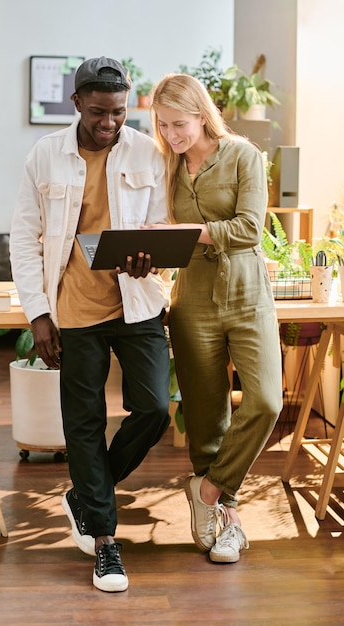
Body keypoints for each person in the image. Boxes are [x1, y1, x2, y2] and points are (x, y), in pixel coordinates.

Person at [10, 57, 171, 593]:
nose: (110, 124)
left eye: (120, 113)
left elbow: (163, 224)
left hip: (138, 303)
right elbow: (24, 238)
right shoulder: (45, 155)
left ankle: (86, 492)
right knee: (82, 423)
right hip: (74, 307)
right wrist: (38, 314)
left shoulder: (147, 151)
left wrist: (153, 255)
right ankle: (105, 542)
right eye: (100, 113)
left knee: (152, 408)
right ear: (76, 102)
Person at [148, 73, 283, 563]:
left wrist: (187, 231)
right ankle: (226, 519)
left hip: (248, 296)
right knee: (207, 419)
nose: (172, 134)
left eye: (179, 124)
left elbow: (249, 229)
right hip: (193, 302)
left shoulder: (245, 155)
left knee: (266, 400)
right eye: (163, 125)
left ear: (202, 114)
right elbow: (160, 229)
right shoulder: (165, 167)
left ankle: (207, 492)